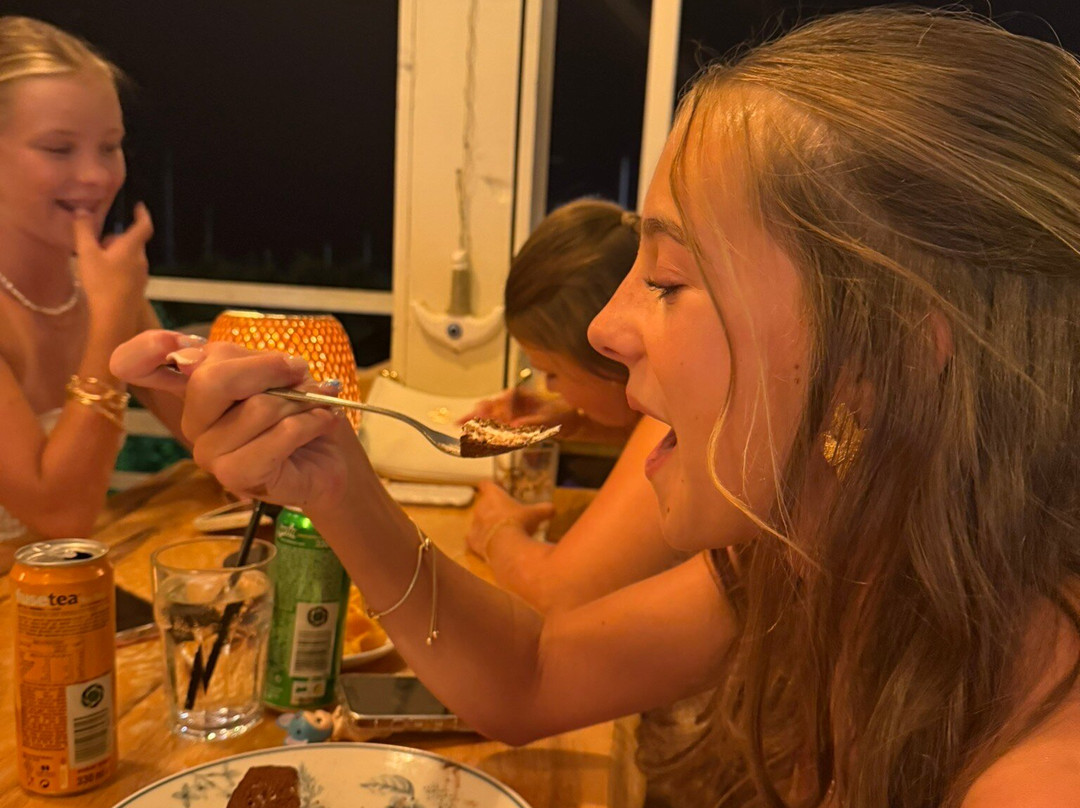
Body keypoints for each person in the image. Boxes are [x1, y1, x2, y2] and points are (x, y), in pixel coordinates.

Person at [113, 8, 1080, 806]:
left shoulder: (1038, 772)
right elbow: (532, 672)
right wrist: (332, 477)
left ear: (887, 356)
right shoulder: (807, 560)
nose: (607, 331)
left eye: (666, 279)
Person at [0, 16, 182, 543]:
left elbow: (213, 437)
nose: (98, 176)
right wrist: (111, 322)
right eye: (59, 149)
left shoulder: (96, 285)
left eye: (109, 146)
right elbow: (63, 517)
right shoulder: (111, 298)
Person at [462, 198, 682, 613]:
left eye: (552, 373)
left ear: (611, 353)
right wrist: (579, 423)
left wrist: (496, 530)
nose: (549, 389)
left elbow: (558, 594)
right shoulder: (673, 401)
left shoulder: (675, 422)